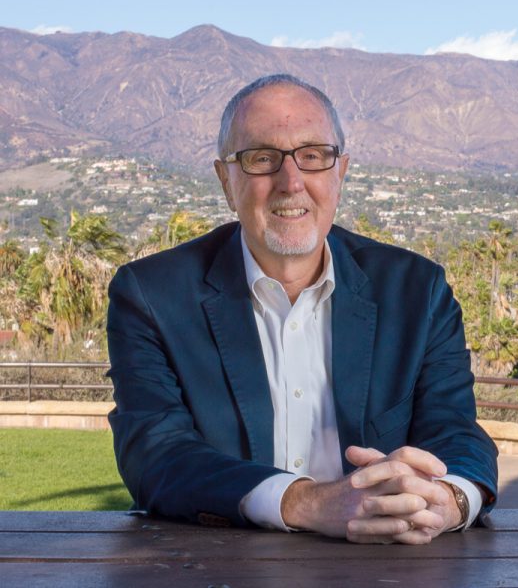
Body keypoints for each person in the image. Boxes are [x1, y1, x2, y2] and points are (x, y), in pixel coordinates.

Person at [107, 74, 498, 545]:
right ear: (226, 180)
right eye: (261, 159)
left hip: (387, 568)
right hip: (215, 569)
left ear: (341, 172)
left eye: (313, 156)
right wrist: (308, 502)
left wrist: (448, 500)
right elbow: (157, 455)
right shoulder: (151, 294)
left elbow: (455, 430)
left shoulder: (418, 291)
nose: (290, 182)